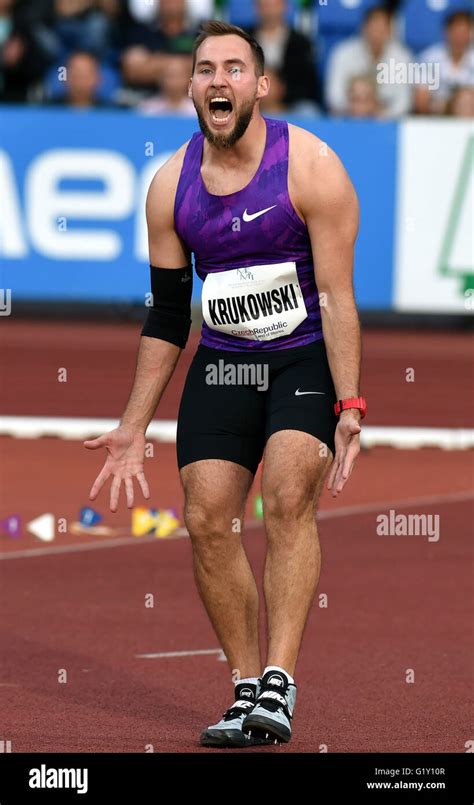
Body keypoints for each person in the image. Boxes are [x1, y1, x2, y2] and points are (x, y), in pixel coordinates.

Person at [84, 20, 366, 748]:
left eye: (234, 68)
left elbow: (336, 296)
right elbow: (169, 318)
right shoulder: (169, 186)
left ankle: (280, 679)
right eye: (205, 67)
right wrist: (131, 425)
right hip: (227, 360)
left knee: (289, 496)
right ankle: (245, 688)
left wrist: (351, 403)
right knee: (208, 515)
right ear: (190, 87)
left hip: (303, 356)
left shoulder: (311, 166)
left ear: (261, 85)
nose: (218, 79)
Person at [326, 4, 412, 118]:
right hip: (347, 119)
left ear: (391, 30)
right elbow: (334, 97)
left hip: (387, 123)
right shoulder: (343, 53)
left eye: (382, 28)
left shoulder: (402, 58)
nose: (377, 33)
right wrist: (358, 108)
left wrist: (379, 113)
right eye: (373, 27)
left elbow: (403, 103)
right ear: (364, 27)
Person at [414, 10, 473, 116]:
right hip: (435, 118)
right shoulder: (429, 58)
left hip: (469, 118)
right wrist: (447, 106)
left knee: (466, 100)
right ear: (446, 32)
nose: (460, 37)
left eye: (464, 32)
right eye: (456, 32)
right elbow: (421, 101)